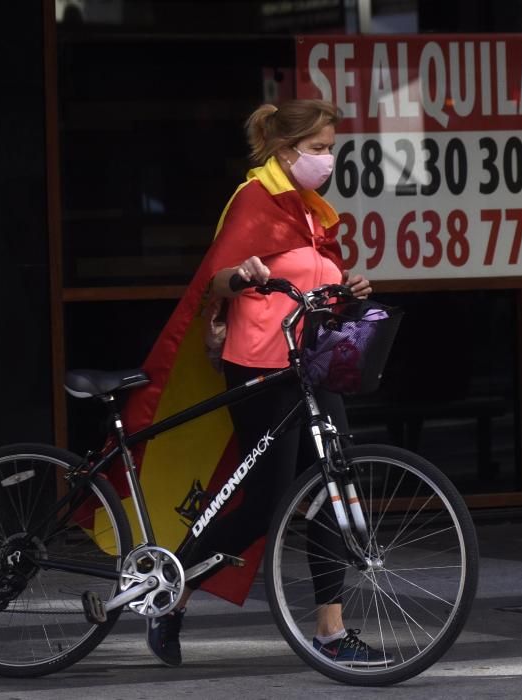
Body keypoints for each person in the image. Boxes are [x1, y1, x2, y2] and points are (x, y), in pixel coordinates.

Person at [140, 100, 389, 667]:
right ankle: (172, 594)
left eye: (331, 148)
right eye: (320, 148)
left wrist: (346, 289)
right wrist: (245, 273)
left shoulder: (305, 207)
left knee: (334, 486)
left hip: (312, 363)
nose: (328, 159)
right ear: (285, 152)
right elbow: (219, 277)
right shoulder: (256, 199)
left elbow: (311, 278)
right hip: (263, 365)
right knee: (267, 504)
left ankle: (331, 630)